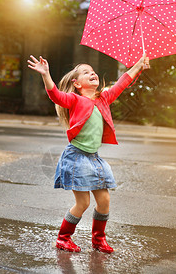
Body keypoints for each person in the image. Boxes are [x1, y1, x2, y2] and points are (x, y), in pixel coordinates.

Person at [27, 54, 150, 254]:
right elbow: (56, 95)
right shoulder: (74, 99)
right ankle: (63, 238)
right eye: (86, 72)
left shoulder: (104, 98)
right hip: (76, 157)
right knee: (82, 203)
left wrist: (139, 65)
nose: (92, 72)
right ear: (76, 84)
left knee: (104, 201)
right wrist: (45, 75)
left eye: (92, 71)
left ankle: (98, 240)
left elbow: (123, 82)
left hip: (93, 158)